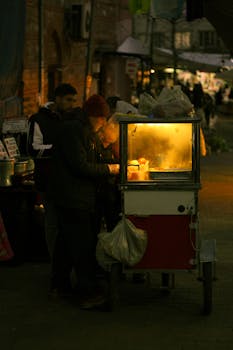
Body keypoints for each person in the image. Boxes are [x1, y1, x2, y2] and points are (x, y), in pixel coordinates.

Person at [48, 94, 119, 309]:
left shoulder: (85, 130)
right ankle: (87, 292)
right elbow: (80, 165)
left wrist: (112, 161)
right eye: (102, 120)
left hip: (77, 196)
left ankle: (59, 286)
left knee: (66, 244)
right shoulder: (72, 130)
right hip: (71, 197)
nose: (103, 125)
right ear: (94, 116)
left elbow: (94, 157)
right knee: (81, 244)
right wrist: (109, 169)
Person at [27, 83, 82, 293]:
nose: (71, 104)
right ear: (57, 99)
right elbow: (33, 148)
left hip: (68, 182)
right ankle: (55, 267)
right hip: (48, 181)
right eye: (68, 100)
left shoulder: (73, 119)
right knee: (52, 225)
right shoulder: (38, 120)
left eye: (73, 100)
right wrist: (59, 149)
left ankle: (65, 267)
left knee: (66, 225)